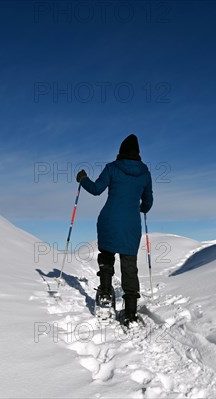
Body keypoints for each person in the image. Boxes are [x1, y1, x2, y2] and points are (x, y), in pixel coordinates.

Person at [76, 134, 153, 326]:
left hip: (109, 221)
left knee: (107, 257)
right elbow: (148, 203)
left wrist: (83, 178)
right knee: (129, 266)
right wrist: (139, 207)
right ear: (138, 153)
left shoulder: (112, 168)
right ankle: (130, 312)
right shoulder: (145, 173)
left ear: (121, 151)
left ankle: (104, 293)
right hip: (131, 225)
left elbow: (95, 189)